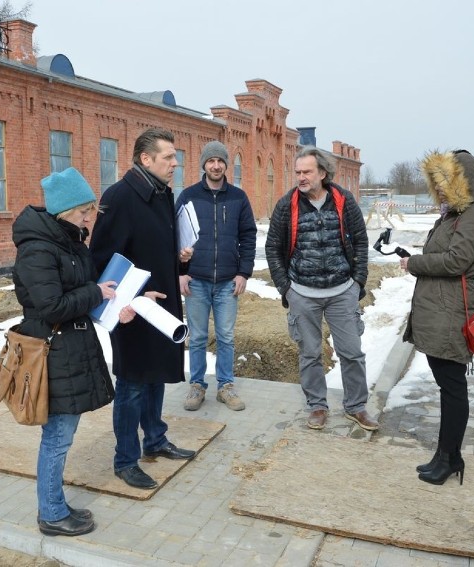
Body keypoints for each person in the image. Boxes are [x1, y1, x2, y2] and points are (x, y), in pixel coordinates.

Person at [11, 168, 134, 537]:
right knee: (57, 437)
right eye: (83, 209)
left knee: (62, 434)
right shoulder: (37, 248)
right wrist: (97, 294)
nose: (88, 216)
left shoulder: (69, 241)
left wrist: (116, 306)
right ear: (63, 209)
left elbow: (84, 292)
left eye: (91, 209)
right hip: (52, 350)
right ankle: (50, 513)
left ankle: (56, 505)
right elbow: (51, 306)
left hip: (72, 347)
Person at [89, 127, 197, 490]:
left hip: (162, 305)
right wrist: (132, 298)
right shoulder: (120, 197)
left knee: (157, 375)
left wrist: (180, 258)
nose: (175, 163)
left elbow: (152, 247)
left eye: (174, 157)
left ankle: (155, 438)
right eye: (168, 157)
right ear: (145, 159)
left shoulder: (162, 194)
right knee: (133, 383)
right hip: (133, 310)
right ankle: (126, 460)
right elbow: (104, 261)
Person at [265, 146, 377, 432]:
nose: (301, 177)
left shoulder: (343, 200)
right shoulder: (286, 205)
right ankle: (317, 405)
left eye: (307, 172)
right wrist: (286, 288)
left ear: (322, 173)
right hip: (302, 294)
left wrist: (358, 282)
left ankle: (356, 407)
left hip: (342, 292)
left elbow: (362, 242)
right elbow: (272, 248)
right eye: (298, 172)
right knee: (310, 354)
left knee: (352, 352)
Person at [399, 150, 474, 486]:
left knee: (453, 388)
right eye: (435, 184)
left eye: (444, 183)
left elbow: (456, 262)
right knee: (447, 386)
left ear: (461, 182)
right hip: (441, 310)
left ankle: (450, 457)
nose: (439, 190)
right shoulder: (454, 215)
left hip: (453, 313)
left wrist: (415, 263)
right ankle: (446, 455)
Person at [176, 141, 257, 412]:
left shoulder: (238, 197)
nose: (216, 165)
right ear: (204, 164)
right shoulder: (188, 196)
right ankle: (197, 385)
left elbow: (248, 236)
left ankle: (226, 386)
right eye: (211, 161)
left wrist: (243, 272)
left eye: (220, 161)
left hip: (226, 281)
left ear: (226, 164)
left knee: (226, 336)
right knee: (197, 337)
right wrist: (181, 272)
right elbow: (176, 236)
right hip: (195, 280)